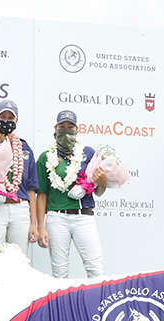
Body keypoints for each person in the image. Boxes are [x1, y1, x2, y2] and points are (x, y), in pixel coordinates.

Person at [35, 110, 107, 278]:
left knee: (95, 268)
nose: (66, 130)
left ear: (77, 129)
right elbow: (42, 195)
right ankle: (62, 305)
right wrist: (40, 227)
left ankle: (96, 304)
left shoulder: (88, 153)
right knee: (59, 273)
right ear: (55, 128)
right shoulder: (45, 157)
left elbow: (99, 191)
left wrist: (102, 180)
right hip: (57, 218)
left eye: (70, 126)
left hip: (84, 216)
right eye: (62, 126)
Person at [0, 99, 41, 257]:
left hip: (20, 209)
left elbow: (31, 190)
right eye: (3, 116)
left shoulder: (25, 148)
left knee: (19, 259)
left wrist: (33, 224)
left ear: (16, 120)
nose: (6, 121)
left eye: (10, 118)